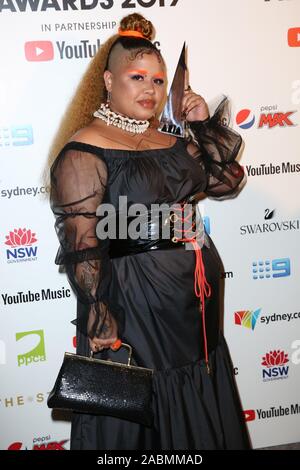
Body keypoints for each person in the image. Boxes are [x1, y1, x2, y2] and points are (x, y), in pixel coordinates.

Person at [49, 13, 250, 450]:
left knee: (196, 387)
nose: (150, 90)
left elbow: (227, 181)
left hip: (193, 300)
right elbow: (83, 244)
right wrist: (98, 311)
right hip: (137, 300)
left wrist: (199, 123)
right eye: (137, 77)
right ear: (107, 79)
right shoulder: (85, 149)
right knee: (145, 399)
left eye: (159, 81)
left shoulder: (172, 140)